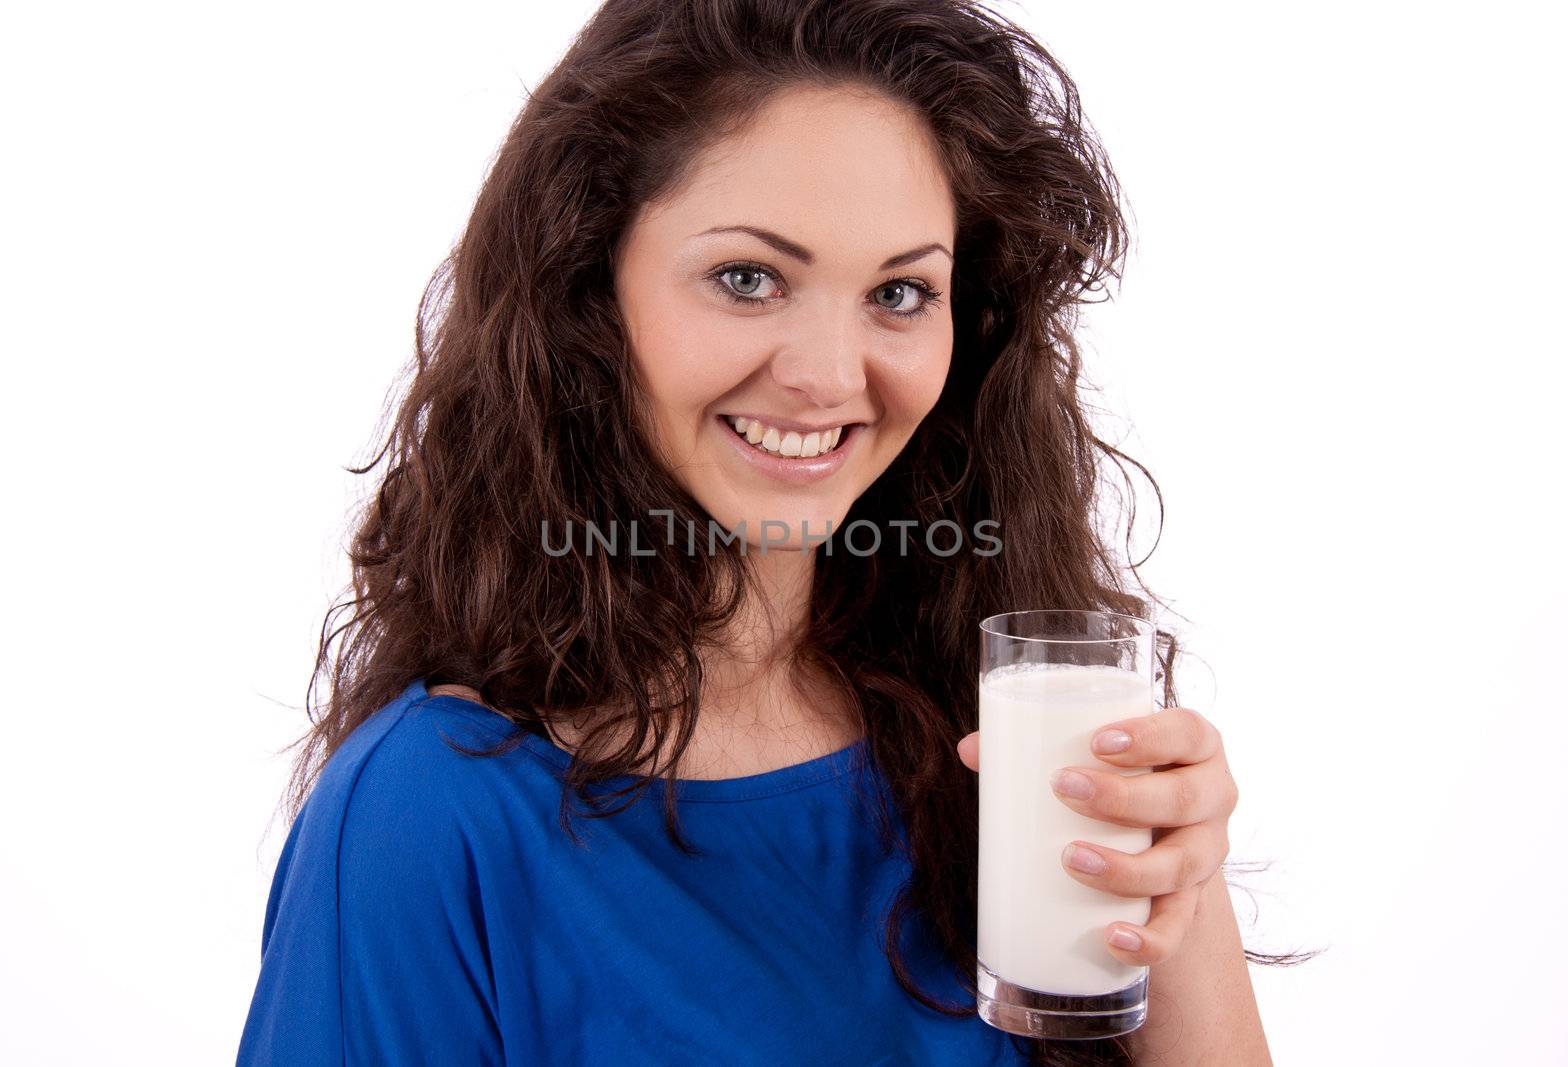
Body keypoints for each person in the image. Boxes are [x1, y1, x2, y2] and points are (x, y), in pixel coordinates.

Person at [236, 0, 1273, 1063]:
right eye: (748, 278)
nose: (830, 374)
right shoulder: (426, 818)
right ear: (589, 289)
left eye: (901, 291)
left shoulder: (994, 730)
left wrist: (1177, 900)